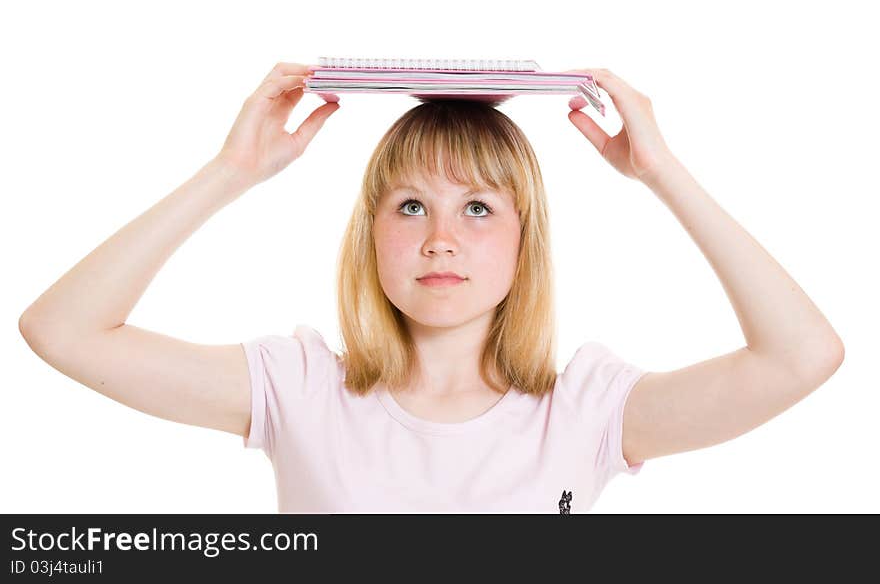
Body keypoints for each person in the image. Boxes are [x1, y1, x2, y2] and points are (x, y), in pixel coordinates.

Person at [18, 62, 845, 514]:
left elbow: (804, 356)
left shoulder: (588, 411)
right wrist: (231, 172)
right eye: (411, 204)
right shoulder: (298, 388)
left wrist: (661, 172)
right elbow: (63, 330)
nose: (441, 237)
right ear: (371, 231)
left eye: (478, 207)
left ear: (527, 243)